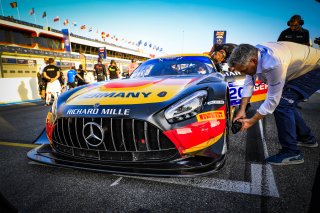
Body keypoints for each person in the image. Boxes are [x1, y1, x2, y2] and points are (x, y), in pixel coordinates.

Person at [227, 42, 320, 165]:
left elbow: (273, 100)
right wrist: (242, 109)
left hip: (315, 68)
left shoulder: (273, 63)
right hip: (300, 69)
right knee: (287, 101)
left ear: (254, 61)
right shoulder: (252, 55)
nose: (243, 74)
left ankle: (292, 153)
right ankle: (306, 138)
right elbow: (248, 84)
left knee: (282, 103)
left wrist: (252, 121)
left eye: (244, 70)